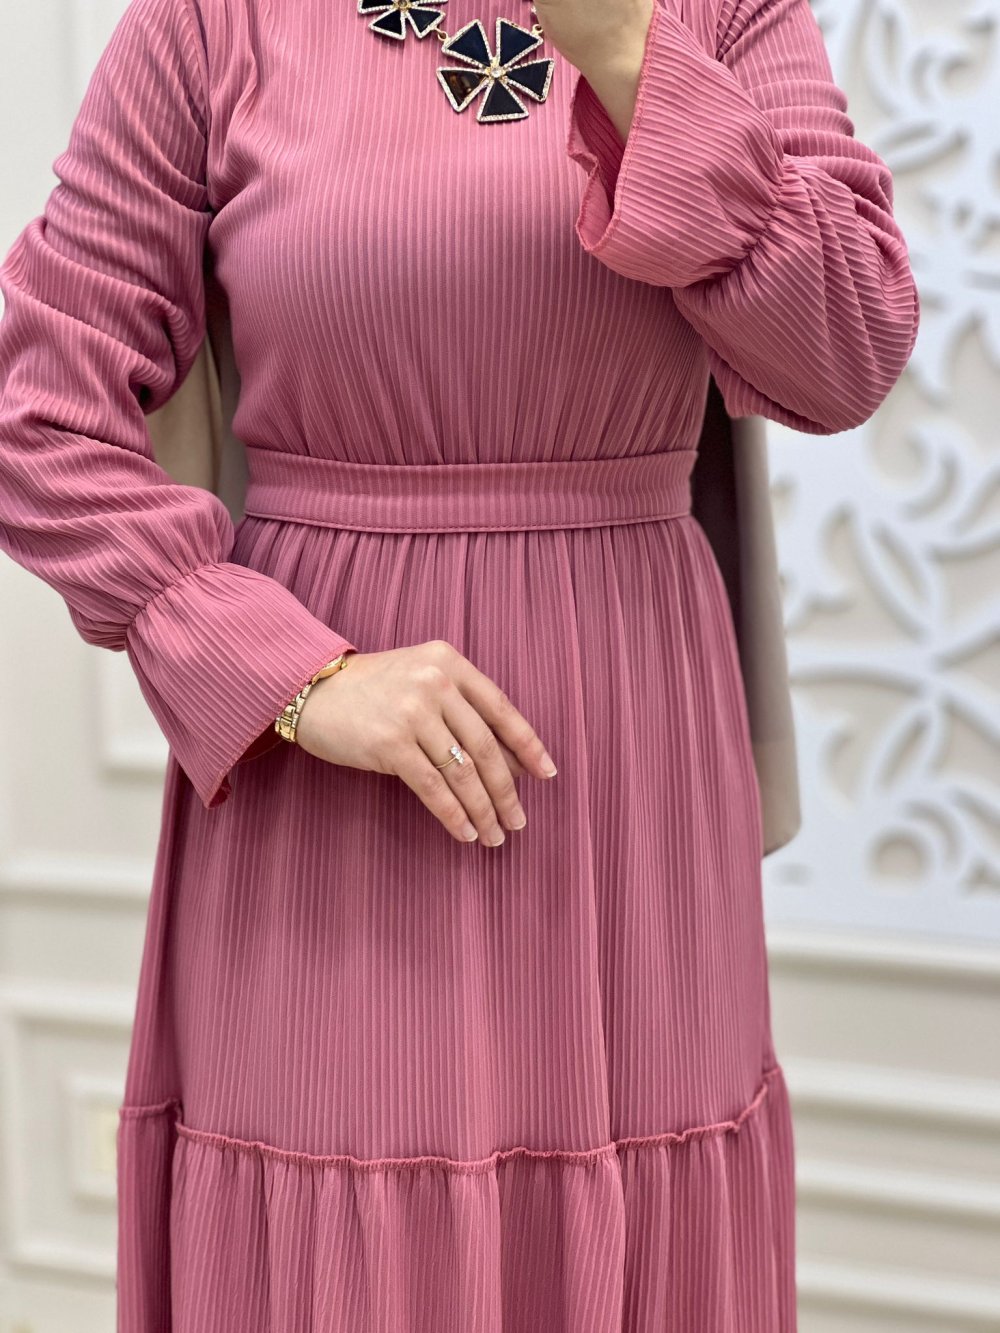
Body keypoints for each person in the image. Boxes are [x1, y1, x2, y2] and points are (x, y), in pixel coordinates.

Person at [0, 0, 919, 1327]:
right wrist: (288, 674)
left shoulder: (722, 12)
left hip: (626, 765)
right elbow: (39, 410)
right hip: (329, 786)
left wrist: (629, 52)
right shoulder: (213, 23)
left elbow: (848, 351)